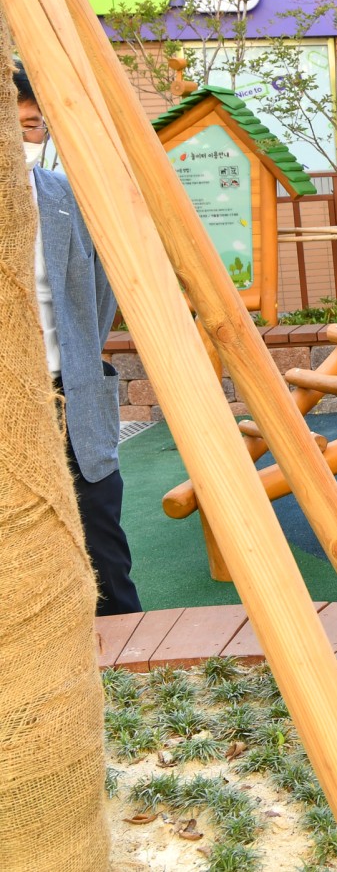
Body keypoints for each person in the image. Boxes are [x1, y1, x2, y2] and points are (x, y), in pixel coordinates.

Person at [16, 68, 141, 617]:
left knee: (101, 535)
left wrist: (81, 357)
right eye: (15, 126)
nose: (26, 138)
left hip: (70, 391)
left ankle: (131, 644)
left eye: (33, 126)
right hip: (12, 401)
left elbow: (100, 292)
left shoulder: (62, 196)